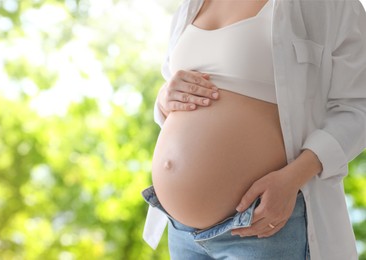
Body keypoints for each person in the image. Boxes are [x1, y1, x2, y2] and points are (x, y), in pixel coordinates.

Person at [142, 0, 366, 259]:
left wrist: (293, 178)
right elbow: (172, 93)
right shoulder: (190, 7)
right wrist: (165, 98)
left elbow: (359, 107)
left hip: (265, 225)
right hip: (182, 233)